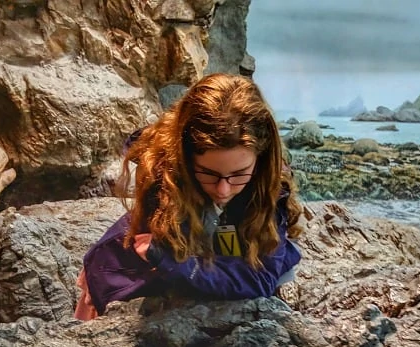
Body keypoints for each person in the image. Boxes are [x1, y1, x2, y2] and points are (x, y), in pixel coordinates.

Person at [74, 73, 303, 320]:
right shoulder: (163, 174)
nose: (223, 190)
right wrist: (170, 262)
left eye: (238, 174)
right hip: (130, 265)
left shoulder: (268, 183)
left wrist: (183, 267)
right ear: (184, 157)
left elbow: (258, 278)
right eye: (208, 173)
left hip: (197, 256)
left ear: (260, 158)